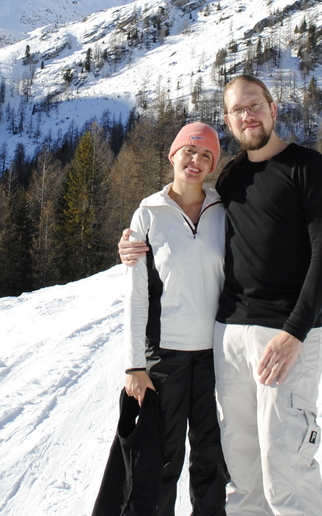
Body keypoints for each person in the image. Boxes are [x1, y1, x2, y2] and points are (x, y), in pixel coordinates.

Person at [120, 76, 322, 516]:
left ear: (273, 108)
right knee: (241, 477)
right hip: (229, 338)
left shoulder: (306, 166)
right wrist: (129, 244)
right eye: (238, 110)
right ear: (228, 121)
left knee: (287, 470)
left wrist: (295, 332)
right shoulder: (231, 179)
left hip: (282, 335)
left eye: (254, 105)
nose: (248, 115)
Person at [110, 122, 229, 516]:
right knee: (161, 461)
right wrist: (134, 365)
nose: (196, 161)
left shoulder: (223, 211)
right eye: (189, 151)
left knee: (212, 459)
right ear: (173, 155)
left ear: (213, 165)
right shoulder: (149, 213)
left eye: (206, 155)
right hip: (165, 357)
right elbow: (135, 294)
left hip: (215, 356)